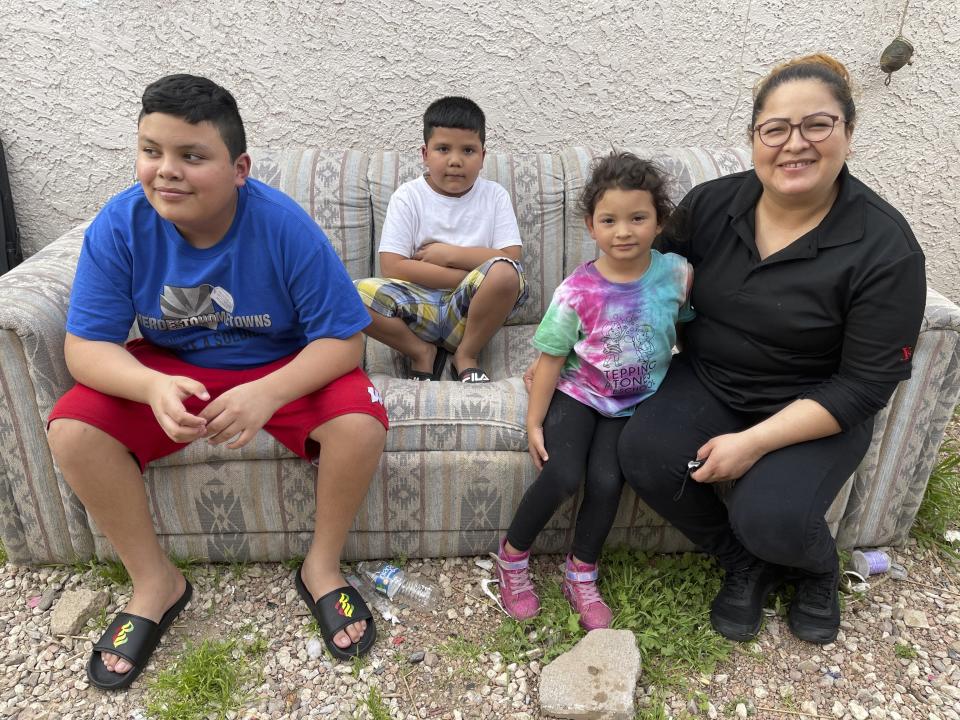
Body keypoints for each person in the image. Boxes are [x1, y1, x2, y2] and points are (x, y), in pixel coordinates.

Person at [46, 75, 389, 689]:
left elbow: (345, 339)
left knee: (360, 425)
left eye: (192, 156)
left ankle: (322, 568)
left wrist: (270, 392)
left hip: (281, 366)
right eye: (152, 151)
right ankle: (156, 583)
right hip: (170, 368)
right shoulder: (121, 225)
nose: (166, 171)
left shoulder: (284, 225)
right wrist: (150, 386)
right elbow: (86, 347)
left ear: (239, 168)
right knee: (72, 429)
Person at [614, 54, 926, 644]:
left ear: (848, 136)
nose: (794, 145)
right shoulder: (711, 205)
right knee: (645, 453)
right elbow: (635, 272)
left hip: (819, 404)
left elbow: (865, 384)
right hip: (711, 379)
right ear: (755, 139)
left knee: (771, 515)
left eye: (817, 125)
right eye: (775, 129)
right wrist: (568, 354)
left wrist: (752, 443)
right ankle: (743, 560)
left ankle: (816, 567)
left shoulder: (886, 248)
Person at [497, 152, 694, 630]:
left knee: (608, 482)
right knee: (563, 474)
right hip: (579, 393)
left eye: (637, 218)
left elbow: (685, 330)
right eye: (609, 220)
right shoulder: (577, 291)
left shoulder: (677, 275)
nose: (623, 231)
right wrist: (533, 422)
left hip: (633, 405)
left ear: (659, 220)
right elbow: (548, 361)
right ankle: (512, 559)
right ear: (591, 224)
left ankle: (581, 572)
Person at [354, 96, 527, 383]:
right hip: (417, 305)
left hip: (473, 309)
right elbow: (393, 267)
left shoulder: (494, 195)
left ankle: (466, 355)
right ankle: (421, 352)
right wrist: (468, 275)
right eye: (443, 149)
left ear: (483, 157)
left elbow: (510, 255)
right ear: (425, 153)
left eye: (468, 150)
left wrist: (449, 255)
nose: (455, 161)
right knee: (349, 295)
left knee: (506, 275)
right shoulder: (409, 196)